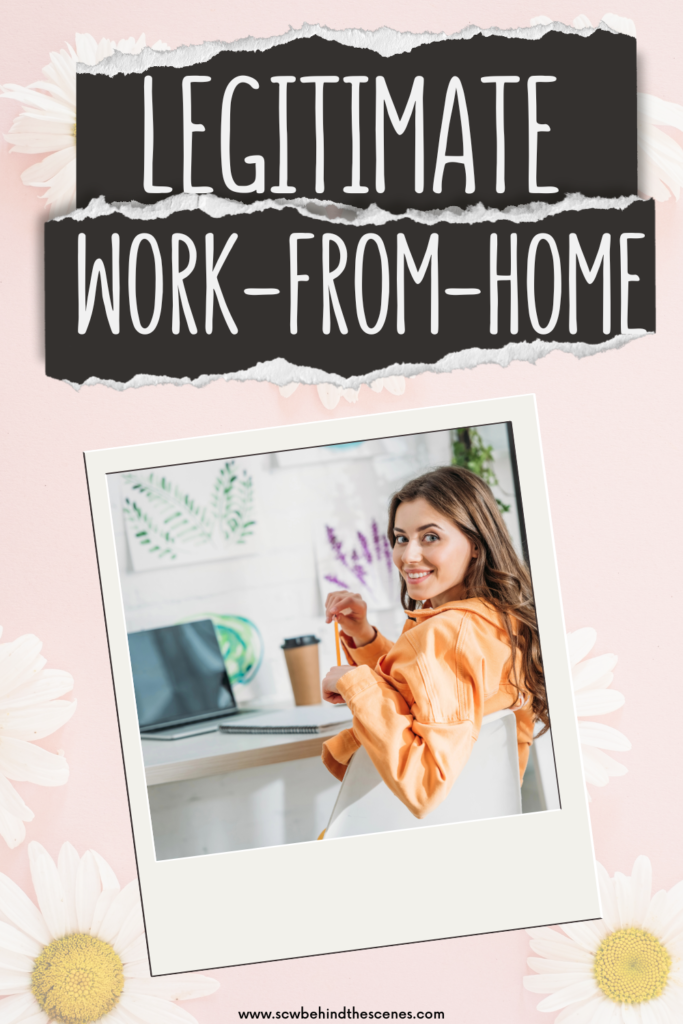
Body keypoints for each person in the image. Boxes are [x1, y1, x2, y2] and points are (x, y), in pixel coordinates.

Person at [320, 465, 548, 819]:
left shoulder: (447, 634)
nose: (408, 556)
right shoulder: (500, 622)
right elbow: (418, 693)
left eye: (430, 537)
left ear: (475, 544)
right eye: (401, 538)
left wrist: (353, 682)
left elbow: (426, 782)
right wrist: (363, 636)